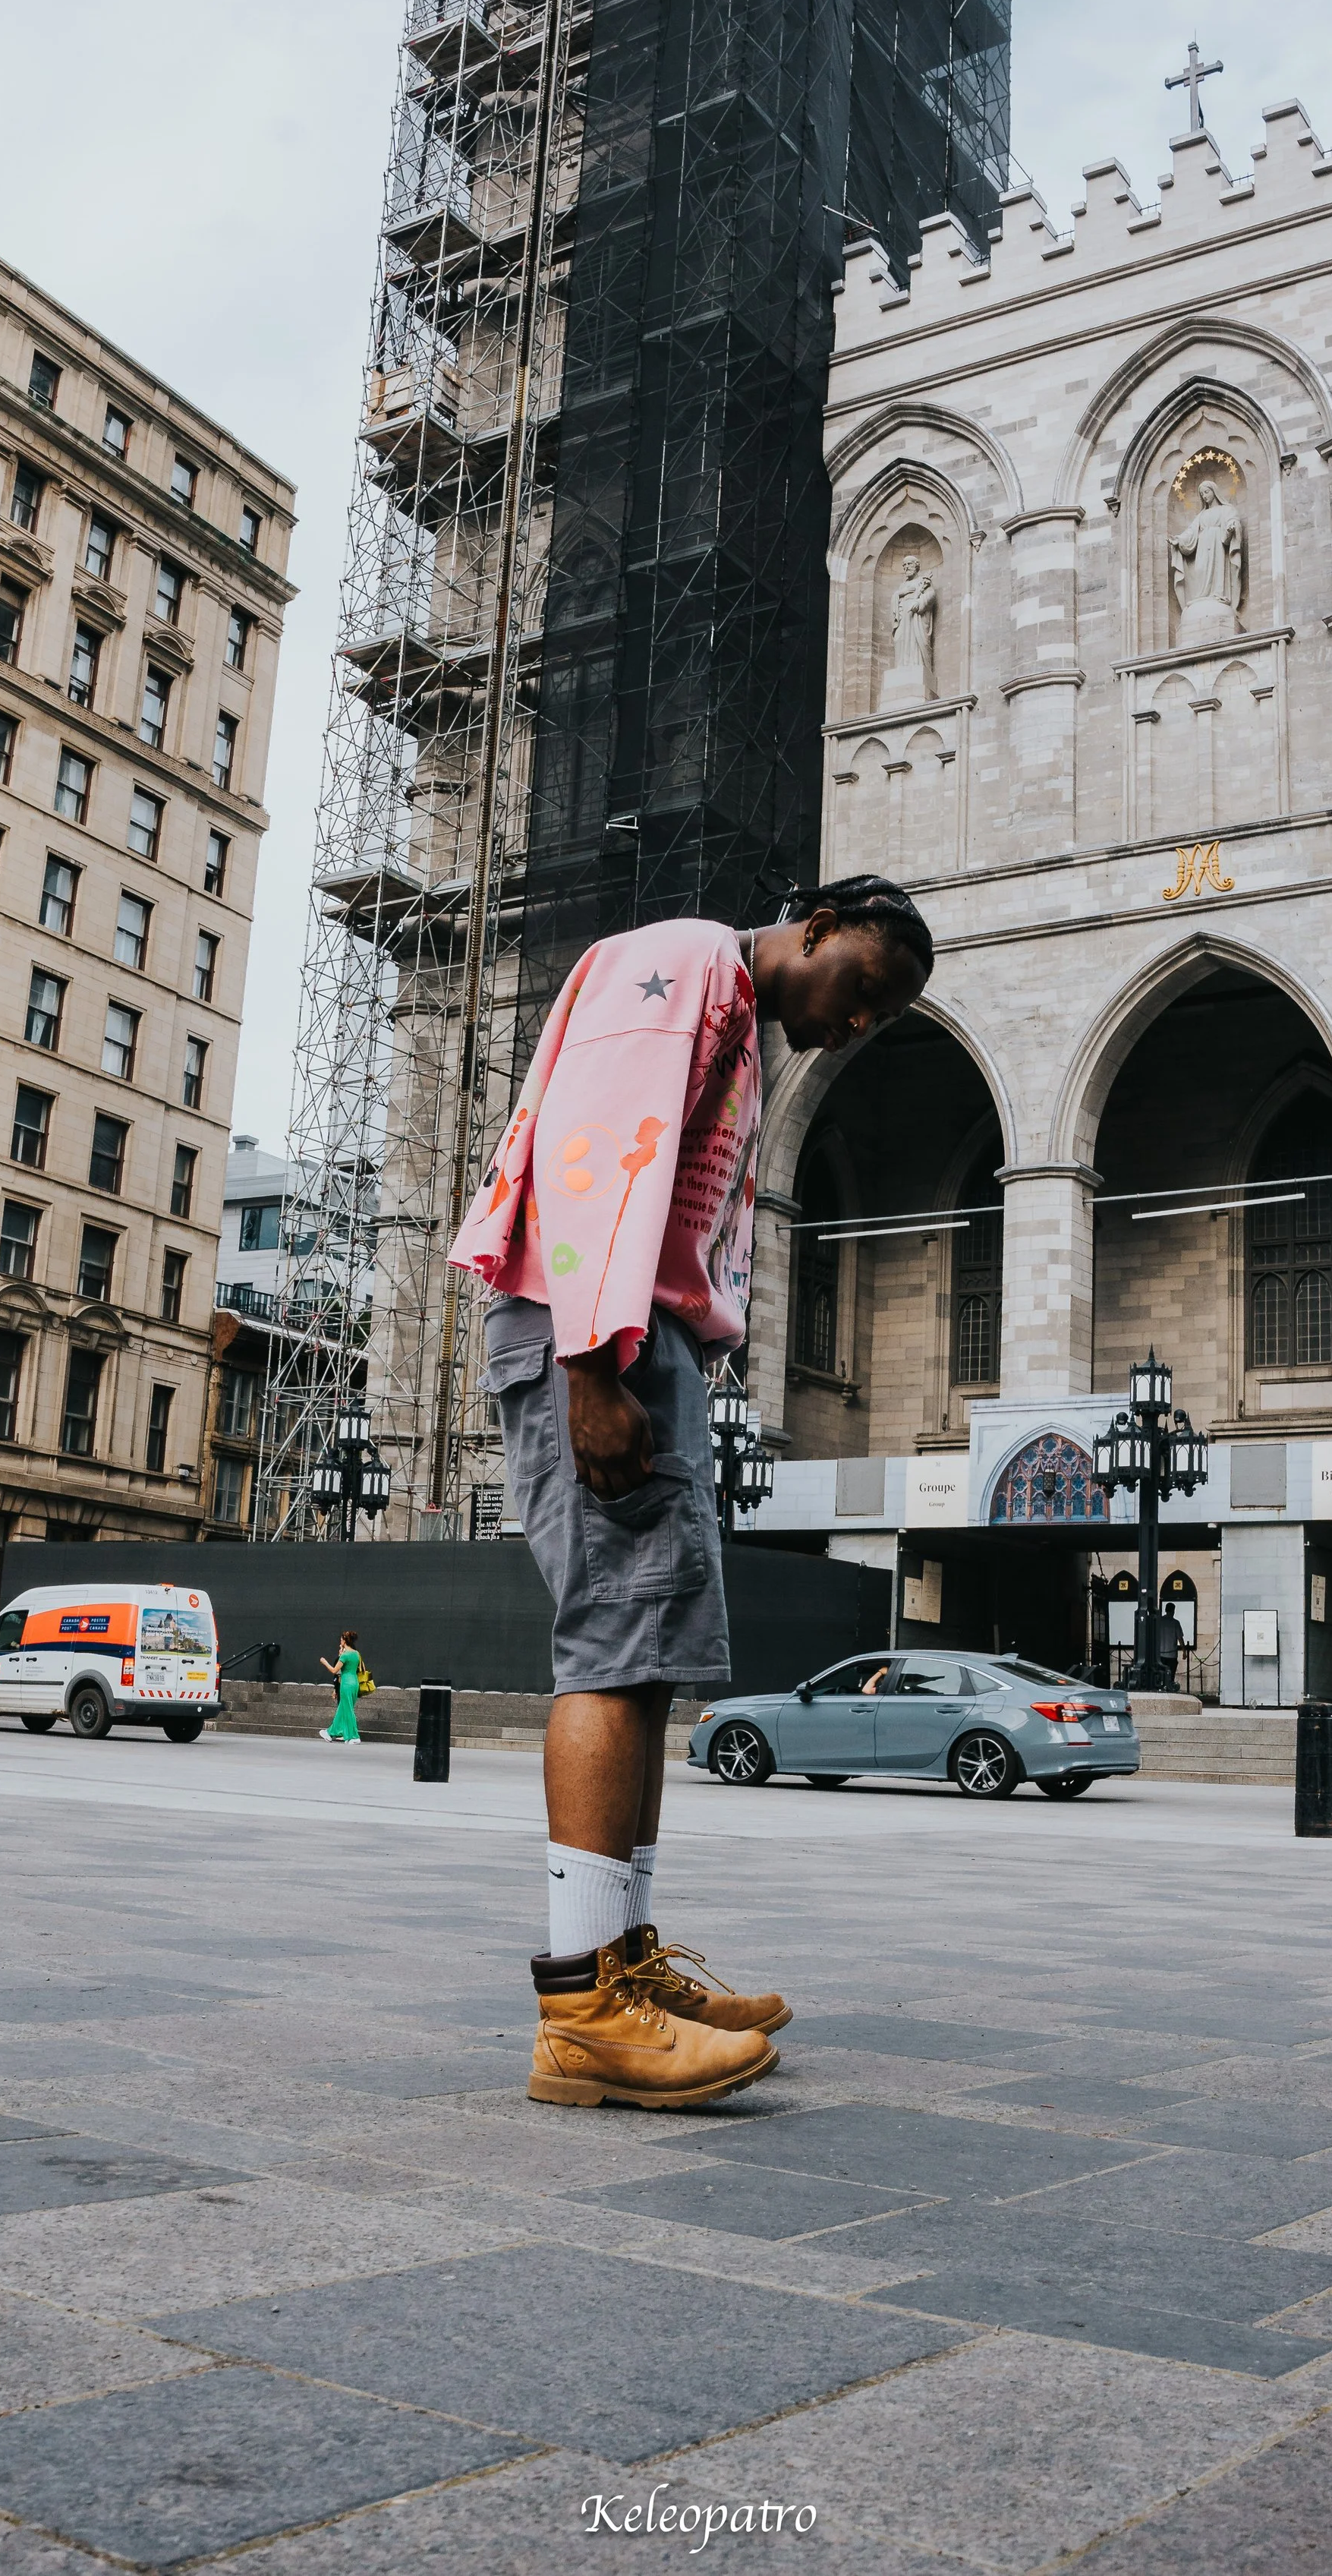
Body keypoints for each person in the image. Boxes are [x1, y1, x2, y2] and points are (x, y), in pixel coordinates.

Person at [449, 872, 934, 2106]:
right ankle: (583, 2008)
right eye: (863, 987)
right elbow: (591, 1151)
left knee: (650, 1653)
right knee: (613, 1646)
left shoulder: (724, 1009)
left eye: (882, 1016)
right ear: (815, 928)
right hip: (595, 1332)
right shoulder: (682, 969)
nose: (857, 1021)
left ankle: (624, 1961)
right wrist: (592, 1365)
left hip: (637, 1340)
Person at [319, 1632, 362, 1745]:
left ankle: (354, 1736)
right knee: (343, 1709)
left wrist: (325, 1662)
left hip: (346, 1683)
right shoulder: (356, 1654)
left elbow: (334, 1670)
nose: (340, 1642)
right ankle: (330, 1733)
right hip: (354, 1683)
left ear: (344, 1641)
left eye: (341, 1640)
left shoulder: (345, 1655)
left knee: (347, 1710)